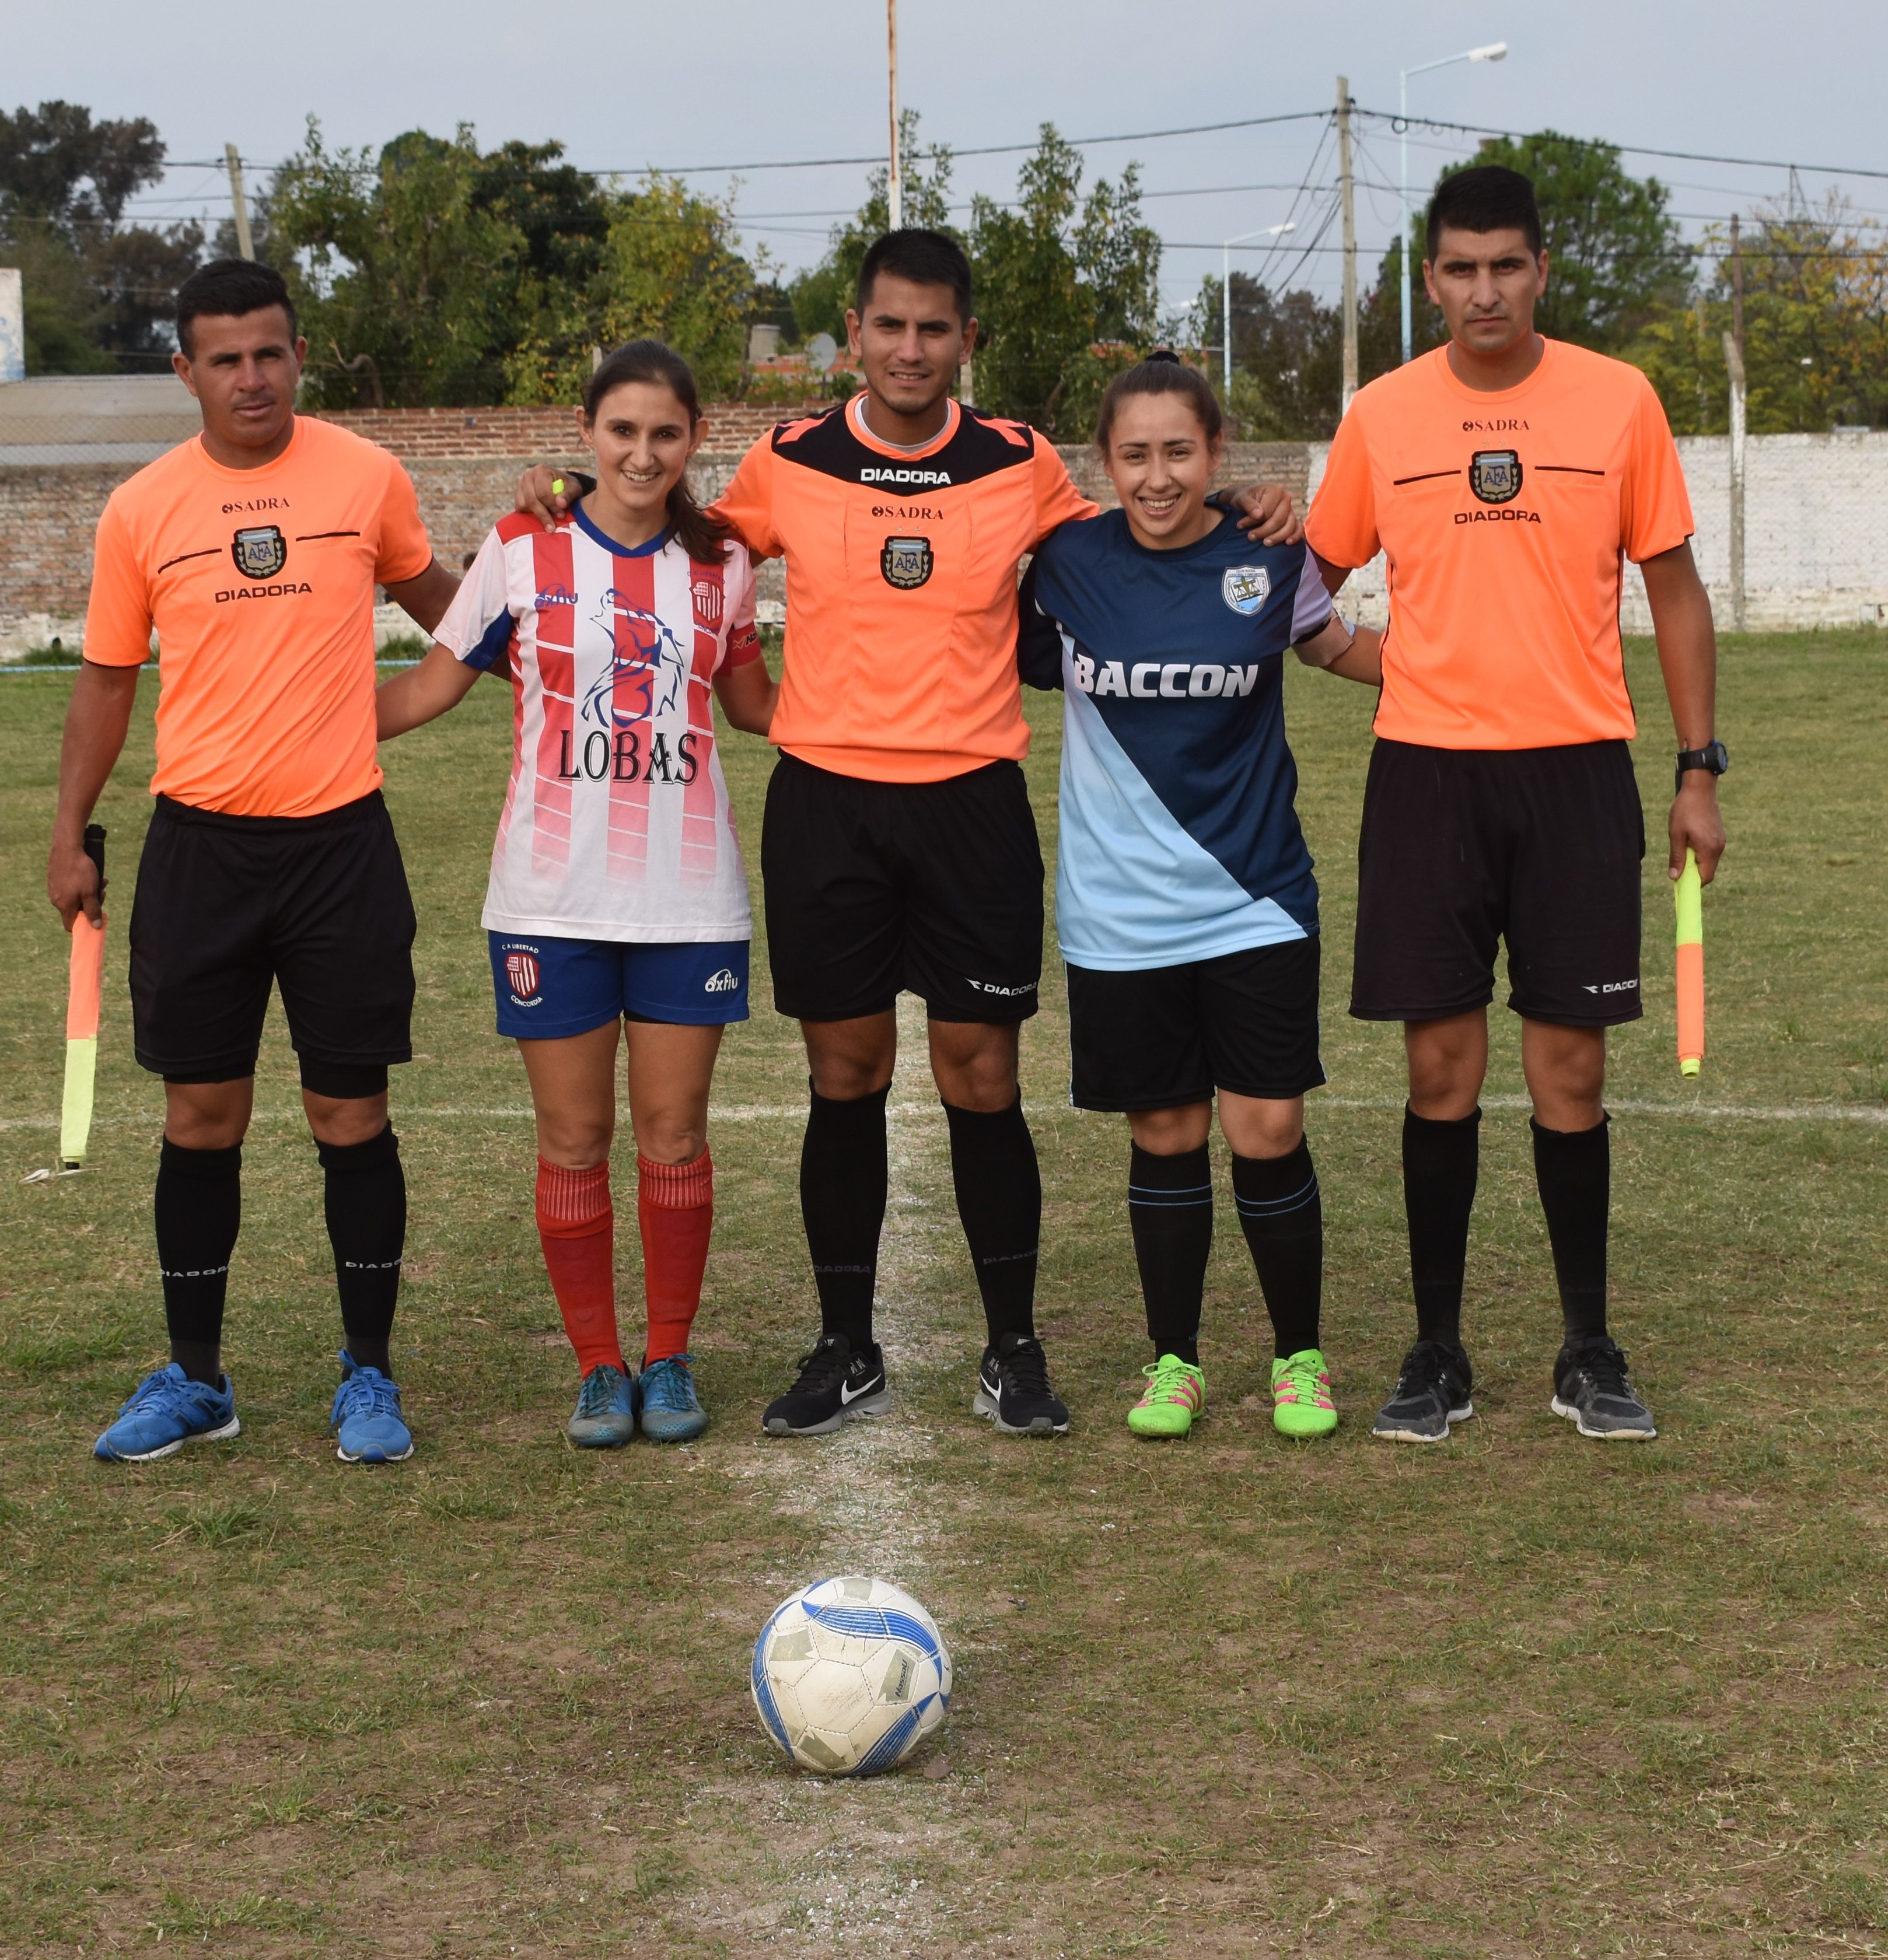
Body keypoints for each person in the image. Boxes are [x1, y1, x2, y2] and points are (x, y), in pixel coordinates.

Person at [518, 229, 1300, 1440]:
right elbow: (684, 536)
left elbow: (1137, 524)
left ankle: (1013, 1347)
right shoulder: (788, 457)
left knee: (978, 1074)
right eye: (889, 326)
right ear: (854, 333)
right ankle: (843, 1344)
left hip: (970, 807)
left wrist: (1247, 506)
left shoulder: (1019, 463)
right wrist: (566, 499)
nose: (909, 349)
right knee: (846, 1074)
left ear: (966, 341)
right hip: (827, 807)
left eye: (934, 329)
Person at [1300, 166, 1729, 1445]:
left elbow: (1675, 589)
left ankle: (1585, 1347)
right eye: (1458, 268)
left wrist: (1698, 767)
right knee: (1438, 1069)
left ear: (1539, 271)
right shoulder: (1380, 416)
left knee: (1569, 1072)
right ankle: (1434, 1352)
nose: (1482, 289)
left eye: (1504, 265)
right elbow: (1306, 589)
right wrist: (1374, 663)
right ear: (1426, 281)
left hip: (1575, 773)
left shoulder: (1617, 402)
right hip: (1427, 775)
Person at [52, 259, 459, 1465]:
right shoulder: (141, 509)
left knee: (350, 1111)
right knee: (200, 1114)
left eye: (269, 353)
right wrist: (68, 830)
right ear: (185, 371)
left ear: (298, 357)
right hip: (200, 854)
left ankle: (369, 1377)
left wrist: (369, 714)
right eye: (223, 359)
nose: (250, 377)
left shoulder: (364, 478)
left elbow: (459, 620)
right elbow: (105, 680)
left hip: (340, 848)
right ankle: (194, 1377)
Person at [378, 341, 775, 1448]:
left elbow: (753, 707)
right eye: (622, 432)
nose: (642, 454)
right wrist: (301, 725)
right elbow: (431, 685)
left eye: (665, 434)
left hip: (688, 896)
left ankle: (670, 1357)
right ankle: (600, 1369)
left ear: (696, 440)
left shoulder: (726, 564)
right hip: (549, 898)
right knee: (572, 1137)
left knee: (674, 1134)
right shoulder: (520, 546)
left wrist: (894, 727)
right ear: (588, 433)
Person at [1019, 354, 1382, 1441]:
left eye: (1181, 451)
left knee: (1267, 1129)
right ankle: (1174, 1361)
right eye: (1136, 454)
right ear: (1104, 463)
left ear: (1217, 454)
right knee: (1166, 1133)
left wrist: (1473, 664)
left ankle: (1299, 1360)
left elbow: (1338, 648)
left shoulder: (1270, 555)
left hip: (1257, 897)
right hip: (1119, 911)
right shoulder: (1066, 562)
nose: (1159, 475)